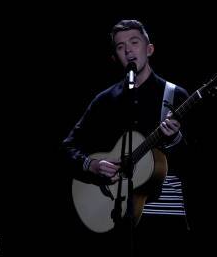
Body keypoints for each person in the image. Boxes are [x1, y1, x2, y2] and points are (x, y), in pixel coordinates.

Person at [61, 19, 194, 254]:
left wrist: (174, 140)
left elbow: (195, 160)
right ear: (115, 57)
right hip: (114, 215)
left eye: (134, 42)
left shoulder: (174, 96)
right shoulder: (105, 100)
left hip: (165, 213)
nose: (128, 50)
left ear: (149, 49)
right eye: (120, 47)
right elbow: (68, 146)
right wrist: (90, 164)